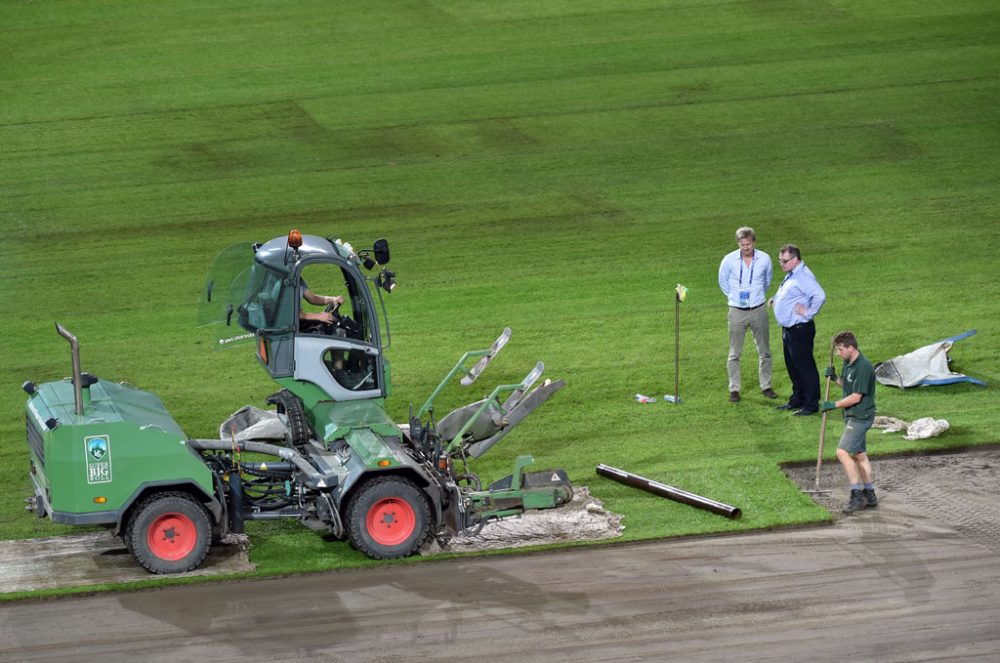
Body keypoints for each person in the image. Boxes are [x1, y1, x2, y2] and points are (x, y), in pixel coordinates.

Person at [820, 330, 878, 514]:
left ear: (851, 348)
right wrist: (835, 378)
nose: (838, 353)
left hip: (860, 416)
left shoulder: (864, 367)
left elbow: (855, 396)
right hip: (853, 415)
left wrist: (833, 404)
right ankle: (869, 494)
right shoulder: (848, 363)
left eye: (840, 350)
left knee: (842, 452)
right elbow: (849, 386)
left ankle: (856, 494)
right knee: (859, 454)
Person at [718, 227, 777, 403]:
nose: (745, 248)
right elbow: (723, 282)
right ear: (738, 243)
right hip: (737, 311)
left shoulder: (765, 259)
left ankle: (766, 386)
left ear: (754, 242)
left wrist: (757, 296)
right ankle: (734, 389)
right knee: (734, 353)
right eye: (742, 244)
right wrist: (735, 297)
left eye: (748, 244)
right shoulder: (728, 260)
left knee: (765, 351)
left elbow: (767, 280)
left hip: (758, 310)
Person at [770, 244, 825, 415]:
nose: (782, 264)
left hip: (799, 329)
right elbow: (793, 292)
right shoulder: (793, 274)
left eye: (785, 261)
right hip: (789, 329)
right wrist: (777, 298)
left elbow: (820, 295)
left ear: (795, 259)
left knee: (804, 367)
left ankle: (811, 404)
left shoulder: (803, 277)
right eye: (780, 261)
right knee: (793, 366)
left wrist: (808, 313)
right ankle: (797, 399)